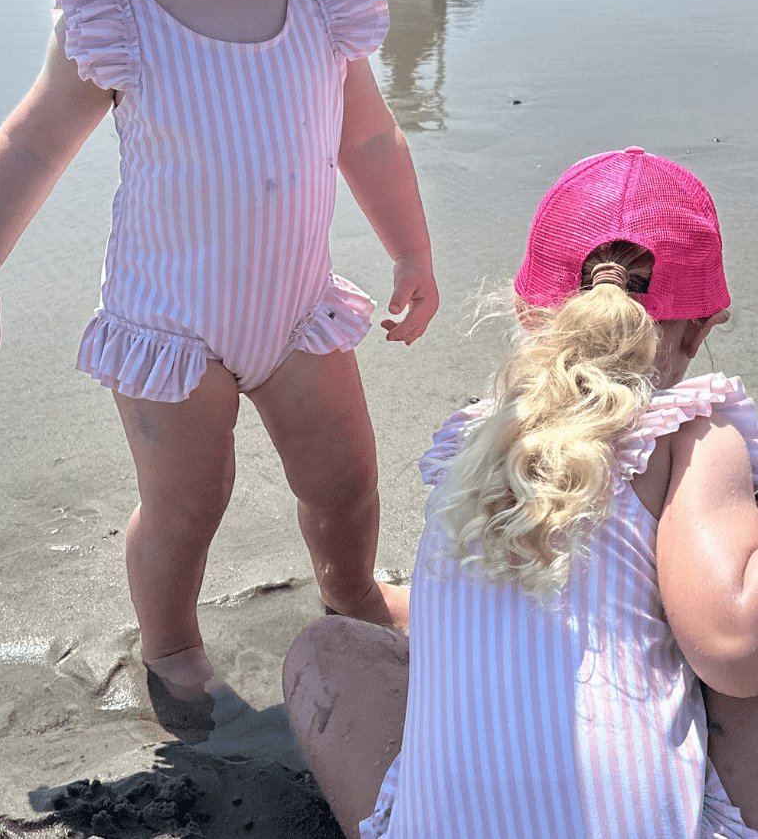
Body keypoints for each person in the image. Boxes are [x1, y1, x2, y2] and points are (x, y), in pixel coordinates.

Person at [0, 0, 438, 710]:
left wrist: (412, 256)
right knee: (185, 506)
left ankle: (350, 590)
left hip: (297, 310)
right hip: (173, 326)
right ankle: (170, 641)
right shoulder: (115, 21)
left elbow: (372, 139)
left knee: (345, 483)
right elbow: (31, 145)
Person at [285, 146, 758, 839]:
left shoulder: (471, 441)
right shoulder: (689, 433)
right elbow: (734, 644)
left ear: (526, 308)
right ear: (705, 324)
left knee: (323, 650)